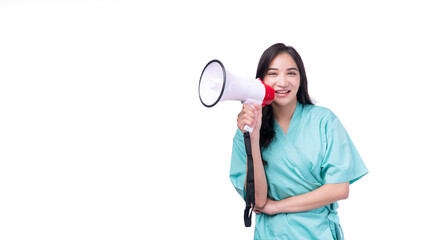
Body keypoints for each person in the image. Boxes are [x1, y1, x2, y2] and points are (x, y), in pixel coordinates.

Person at [230, 43, 368, 239]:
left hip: (318, 233)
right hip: (272, 234)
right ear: (261, 80)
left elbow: (339, 188)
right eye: (273, 73)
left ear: (301, 78)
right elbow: (259, 201)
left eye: (291, 73)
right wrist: (253, 137)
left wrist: (277, 206)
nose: (283, 82)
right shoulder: (246, 132)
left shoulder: (324, 121)